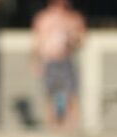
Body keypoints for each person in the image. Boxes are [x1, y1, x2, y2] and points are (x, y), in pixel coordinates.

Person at [31, 0, 86, 128]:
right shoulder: (43, 18)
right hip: (49, 60)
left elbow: (82, 39)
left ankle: (70, 126)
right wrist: (36, 62)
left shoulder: (72, 18)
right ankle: (52, 126)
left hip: (66, 59)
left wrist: (73, 40)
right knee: (50, 94)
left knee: (70, 94)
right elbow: (37, 42)